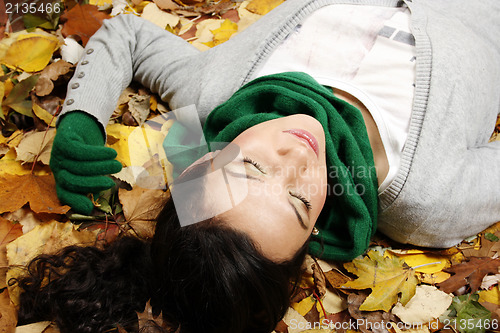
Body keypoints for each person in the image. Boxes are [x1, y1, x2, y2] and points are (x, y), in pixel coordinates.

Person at [15, 0, 500, 332]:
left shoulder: (212, 94)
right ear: (312, 233)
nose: (297, 158)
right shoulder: (432, 198)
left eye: (251, 168)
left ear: (206, 158)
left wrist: (81, 119)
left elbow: (129, 35)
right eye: (298, 200)